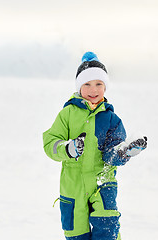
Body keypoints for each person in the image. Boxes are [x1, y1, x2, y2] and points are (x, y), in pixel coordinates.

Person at [43, 51, 147, 240]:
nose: (94, 89)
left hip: (103, 182)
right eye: (87, 84)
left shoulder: (111, 119)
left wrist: (124, 152)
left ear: (105, 87)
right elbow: (50, 142)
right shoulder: (67, 114)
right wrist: (68, 149)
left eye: (99, 84)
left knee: (107, 229)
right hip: (73, 185)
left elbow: (110, 156)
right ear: (79, 86)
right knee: (75, 233)